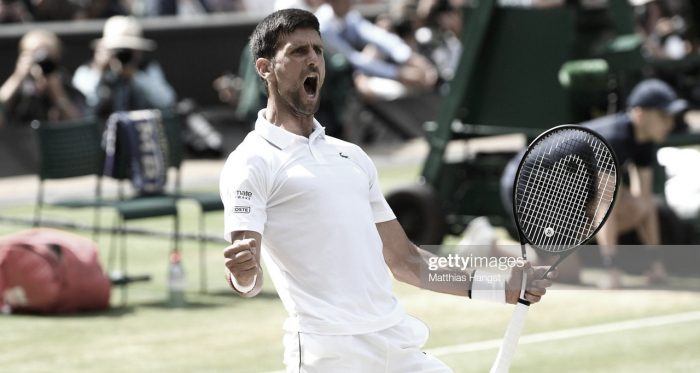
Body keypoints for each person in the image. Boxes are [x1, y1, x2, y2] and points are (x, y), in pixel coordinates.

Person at [220, 9, 556, 372]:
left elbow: (407, 261)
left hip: (396, 344)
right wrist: (241, 275)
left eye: (317, 49)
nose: (314, 59)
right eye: (298, 51)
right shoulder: (251, 162)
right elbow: (248, 276)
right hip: (328, 354)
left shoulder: (352, 156)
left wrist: (501, 288)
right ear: (265, 68)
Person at [499, 78, 686, 288]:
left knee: (636, 207)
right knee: (565, 272)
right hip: (527, 184)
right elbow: (605, 205)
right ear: (639, 114)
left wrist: (656, 264)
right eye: (662, 116)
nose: (670, 123)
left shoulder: (645, 140)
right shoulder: (614, 137)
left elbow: (645, 205)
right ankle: (492, 245)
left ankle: (561, 252)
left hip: (567, 194)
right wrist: (611, 269)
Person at [315, 0, 438, 100]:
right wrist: (399, 73)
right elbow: (352, 58)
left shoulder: (350, 16)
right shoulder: (323, 27)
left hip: (355, 73)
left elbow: (380, 38)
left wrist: (411, 58)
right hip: (332, 89)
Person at [72, 15, 177, 117]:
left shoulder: (147, 69)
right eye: (118, 49)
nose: (124, 54)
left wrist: (135, 76)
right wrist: (98, 71)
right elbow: (82, 111)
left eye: (131, 49)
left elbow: (167, 102)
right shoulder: (87, 71)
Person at [0, 30, 83, 125]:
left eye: (46, 54)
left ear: (57, 57)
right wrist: (17, 77)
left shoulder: (67, 85)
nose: (40, 59)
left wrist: (58, 95)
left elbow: (80, 124)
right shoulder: (18, 88)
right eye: (33, 54)